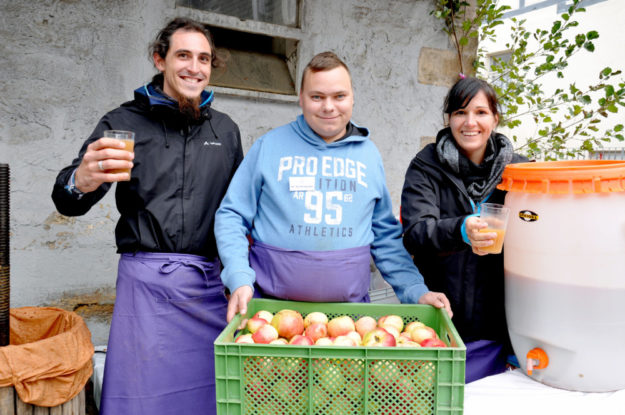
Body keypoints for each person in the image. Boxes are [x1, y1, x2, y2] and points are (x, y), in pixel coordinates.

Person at [51, 17, 243, 415]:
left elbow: (237, 212)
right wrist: (81, 180)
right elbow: (69, 201)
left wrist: (239, 275)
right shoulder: (123, 123)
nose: (195, 67)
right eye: (183, 55)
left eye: (204, 58)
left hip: (209, 290)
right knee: (141, 401)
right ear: (160, 59)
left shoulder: (225, 131)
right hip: (147, 289)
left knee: (212, 399)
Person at [214, 51, 451, 323]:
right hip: (270, 317)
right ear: (301, 98)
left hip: (349, 322)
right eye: (317, 97)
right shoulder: (269, 147)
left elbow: (385, 236)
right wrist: (239, 277)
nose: (329, 106)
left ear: (352, 98)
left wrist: (416, 290)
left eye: (339, 96)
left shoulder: (368, 155)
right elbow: (231, 215)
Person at [400, 76, 528, 383]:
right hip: (439, 320)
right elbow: (415, 231)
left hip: (499, 328)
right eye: (460, 112)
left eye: (481, 113)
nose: (470, 122)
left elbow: (541, 231)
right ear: (449, 118)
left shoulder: (519, 172)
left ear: (495, 118)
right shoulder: (426, 165)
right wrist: (460, 229)